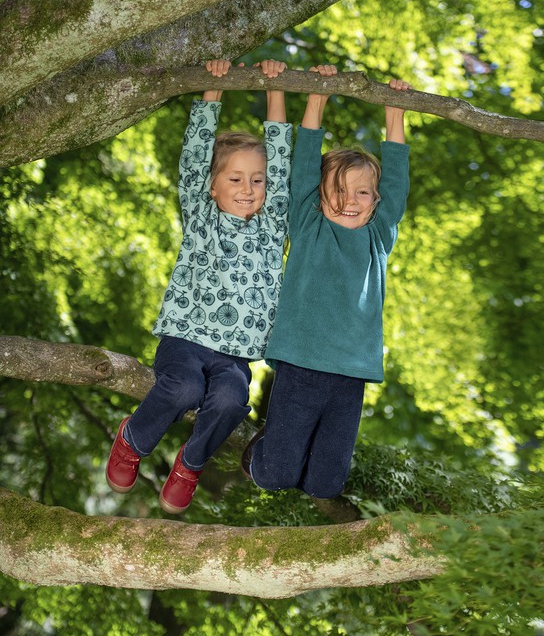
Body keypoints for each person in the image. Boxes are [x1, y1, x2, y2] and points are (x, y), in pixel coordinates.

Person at [106, 58, 292, 514]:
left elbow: (284, 167)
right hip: (185, 340)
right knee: (182, 390)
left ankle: (190, 464)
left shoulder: (272, 228)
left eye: (256, 180)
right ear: (211, 187)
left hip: (234, 355)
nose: (248, 188)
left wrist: (277, 88)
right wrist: (213, 88)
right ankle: (132, 440)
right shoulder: (201, 218)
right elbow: (193, 158)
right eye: (235, 179)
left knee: (232, 398)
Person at [242, 64, 411, 499]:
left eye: (362, 193)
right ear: (319, 196)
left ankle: (302, 468)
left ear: (376, 201)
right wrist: (317, 96)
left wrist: (396, 112)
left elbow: (396, 183)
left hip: (351, 372)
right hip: (301, 362)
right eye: (338, 190)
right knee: (275, 475)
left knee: (325, 485)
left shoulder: (378, 237)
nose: (349, 201)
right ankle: (260, 448)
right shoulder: (308, 226)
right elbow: (301, 170)